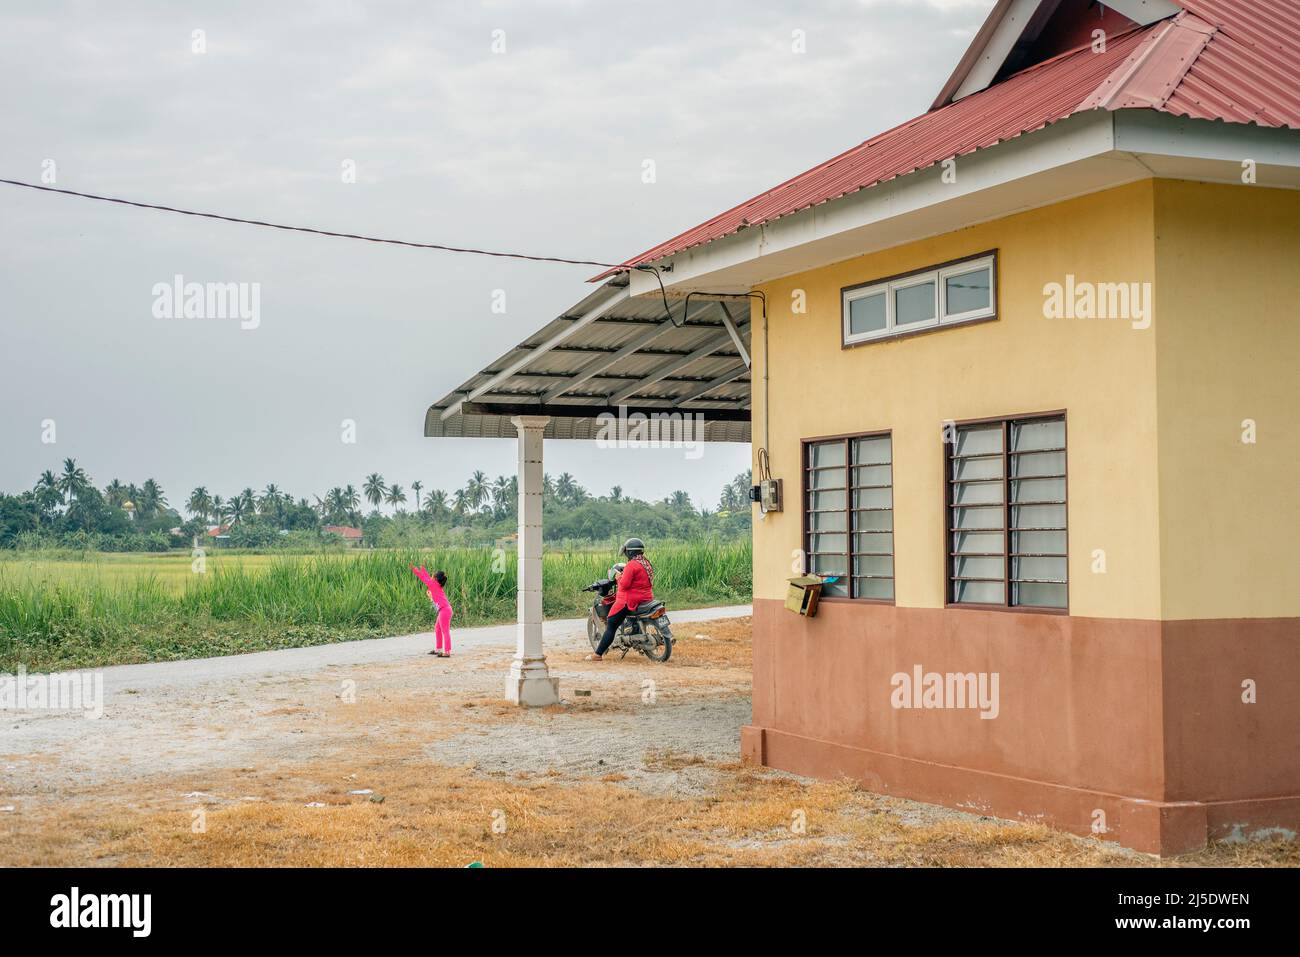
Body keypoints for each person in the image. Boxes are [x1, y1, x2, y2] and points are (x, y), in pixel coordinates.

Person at [586, 538, 653, 661]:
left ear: (630, 552)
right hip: (646, 597)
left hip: (629, 600)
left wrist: (618, 577)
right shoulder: (646, 563)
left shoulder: (631, 565)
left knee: (611, 624)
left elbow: (625, 585)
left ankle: (598, 654)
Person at [410, 566, 454, 657]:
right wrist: (423, 569)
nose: (431, 576)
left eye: (433, 575)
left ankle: (447, 652)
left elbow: (423, 578)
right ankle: (438, 649)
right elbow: (426, 577)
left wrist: (415, 570)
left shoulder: (433, 584)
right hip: (444, 610)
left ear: (435, 578)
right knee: (437, 628)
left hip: (444, 610)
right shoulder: (435, 584)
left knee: (445, 631)